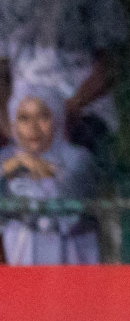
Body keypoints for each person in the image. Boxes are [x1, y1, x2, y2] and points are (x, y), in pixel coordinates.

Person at [0, 0, 130, 180]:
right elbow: (1, 74)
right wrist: (10, 124)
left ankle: (65, 211)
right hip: (22, 110)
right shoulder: (8, 1)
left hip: (78, 106)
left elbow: (109, 69)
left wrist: (66, 111)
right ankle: (18, 211)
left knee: (65, 158)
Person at [1, 86, 99, 265]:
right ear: (14, 124)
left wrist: (43, 170)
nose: (33, 127)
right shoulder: (7, 158)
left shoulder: (77, 157)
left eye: (43, 116)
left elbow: (72, 207)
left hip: (70, 255)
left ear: (58, 119)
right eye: (24, 118)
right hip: (20, 258)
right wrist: (8, 168)